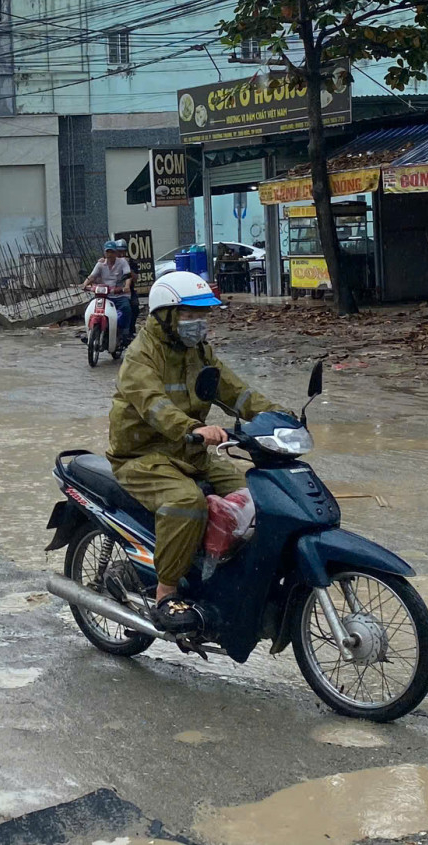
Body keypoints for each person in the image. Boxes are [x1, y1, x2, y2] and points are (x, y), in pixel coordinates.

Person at [107, 270, 283, 632]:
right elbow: (154, 405)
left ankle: (223, 577)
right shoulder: (141, 356)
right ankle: (166, 593)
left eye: (203, 315)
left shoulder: (199, 352)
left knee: (257, 495)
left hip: (190, 452)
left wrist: (278, 418)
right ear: (167, 315)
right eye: (190, 315)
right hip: (143, 457)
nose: (198, 323)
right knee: (187, 502)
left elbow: (236, 392)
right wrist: (192, 429)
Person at [81, 239, 136, 349]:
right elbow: (92, 276)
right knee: (88, 308)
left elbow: (128, 276)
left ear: (116, 253)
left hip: (119, 294)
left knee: (126, 308)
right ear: (105, 253)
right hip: (104, 295)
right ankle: (90, 332)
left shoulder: (123, 262)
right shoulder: (100, 264)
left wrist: (126, 286)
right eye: (108, 252)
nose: (110, 254)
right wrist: (85, 284)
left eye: (112, 252)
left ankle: (125, 334)